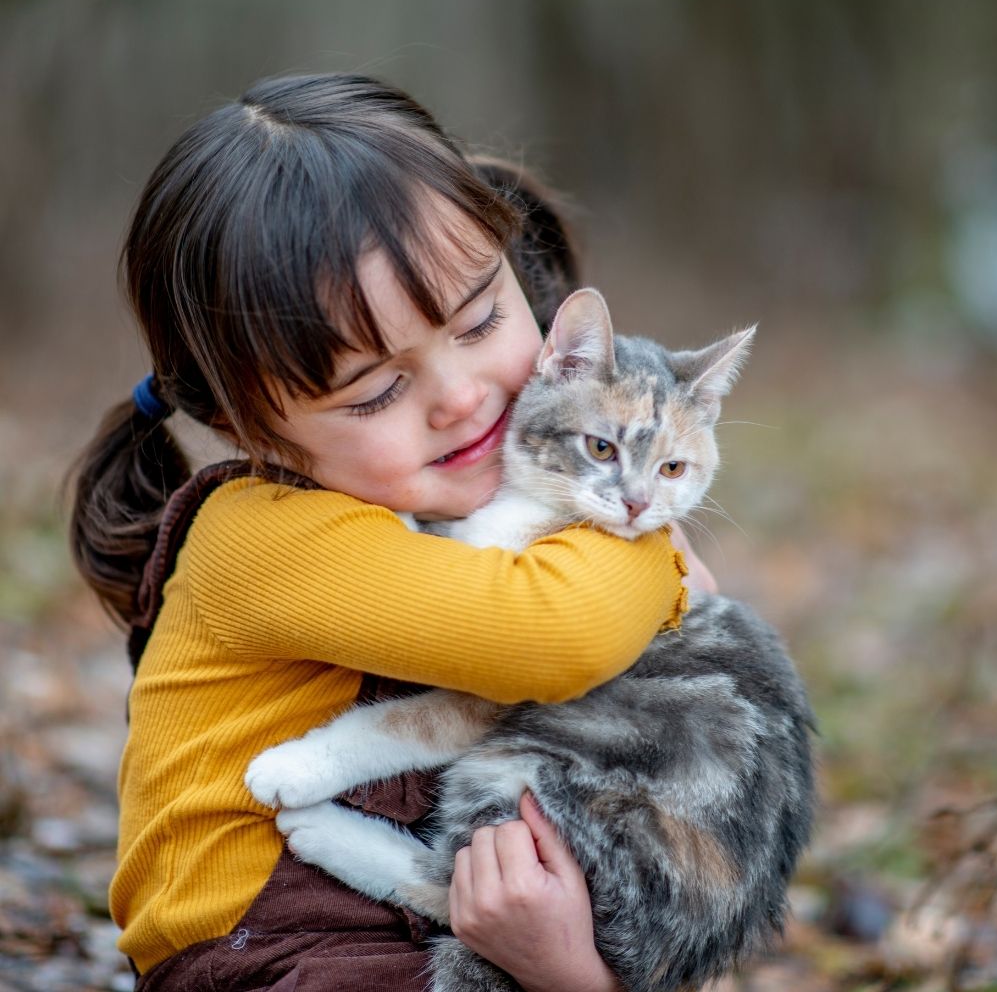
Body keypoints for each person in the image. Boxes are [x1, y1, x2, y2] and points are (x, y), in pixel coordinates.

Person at [69, 73, 702, 991]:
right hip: (268, 957)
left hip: (429, 935)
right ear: (255, 430)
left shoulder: (482, 507)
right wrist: (665, 550)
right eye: (378, 391)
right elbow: (553, 633)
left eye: (481, 319)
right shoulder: (261, 537)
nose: (460, 395)